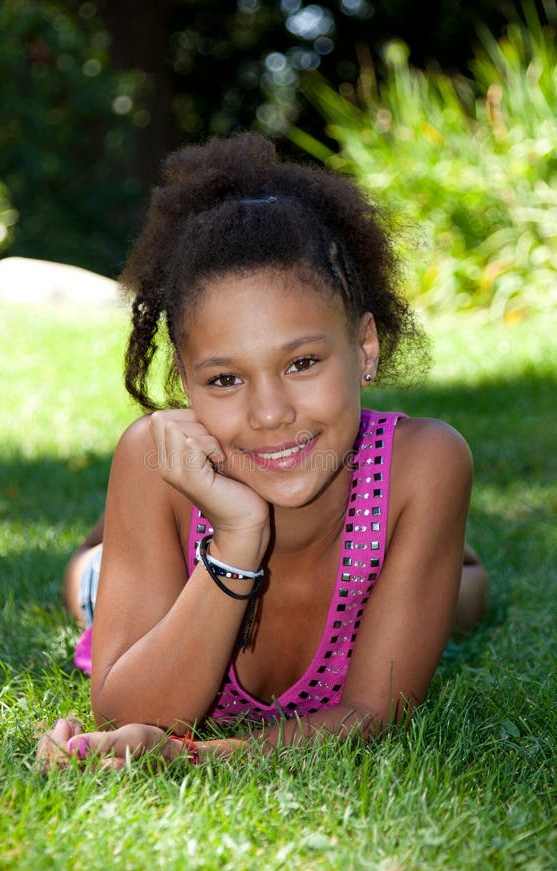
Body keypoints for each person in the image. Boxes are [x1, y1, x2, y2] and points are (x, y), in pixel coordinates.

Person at [37, 133, 489, 771]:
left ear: (364, 348)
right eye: (224, 379)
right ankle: (105, 551)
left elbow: (373, 709)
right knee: (89, 577)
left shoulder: (429, 462)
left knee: (470, 596)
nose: (270, 413)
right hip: (171, 578)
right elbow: (129, 712)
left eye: (302, 362)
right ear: (185, 384)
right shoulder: (152, 458)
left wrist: (194, 758)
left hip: (371, 523)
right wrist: (238, 537)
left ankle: (455, 559)